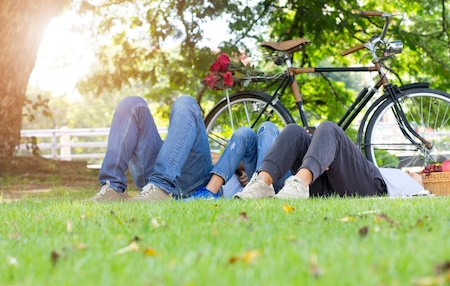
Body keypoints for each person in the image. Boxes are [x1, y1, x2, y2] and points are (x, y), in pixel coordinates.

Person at [91, 95, 281, 202]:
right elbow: (222, 156)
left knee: (186, 103)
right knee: (133, 104)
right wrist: (237, 164)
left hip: (195, 184)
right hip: (159, 174)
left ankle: (160, 187)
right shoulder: (243, 147)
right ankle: (112, 187)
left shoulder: (264, 179)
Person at [233, 121, 425, 199]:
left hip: (370, 185)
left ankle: (299, 183)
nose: (413, 172)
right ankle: (262, 182)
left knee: (329, 128)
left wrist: (417, 180)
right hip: (331, 185)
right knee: (294, 131)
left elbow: (421, 190)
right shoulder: (398, 174)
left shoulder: (414, 187)